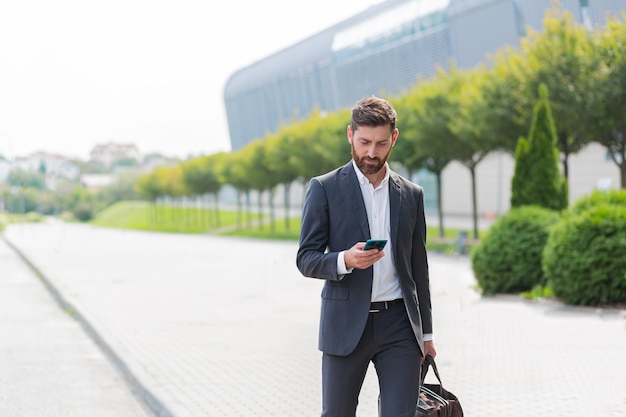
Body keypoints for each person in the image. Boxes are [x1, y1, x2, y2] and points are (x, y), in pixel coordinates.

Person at [296, 96, 436, 417]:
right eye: (364, 142)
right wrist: (345, 260)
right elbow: (306, 257)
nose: (371, 153)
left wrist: (426, 335)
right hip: (345, 325)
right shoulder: (324, 188)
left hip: (400, 325)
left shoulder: (411, 195)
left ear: (394, 139)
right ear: (350, 135)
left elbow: (419, 270)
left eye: (381, 143)